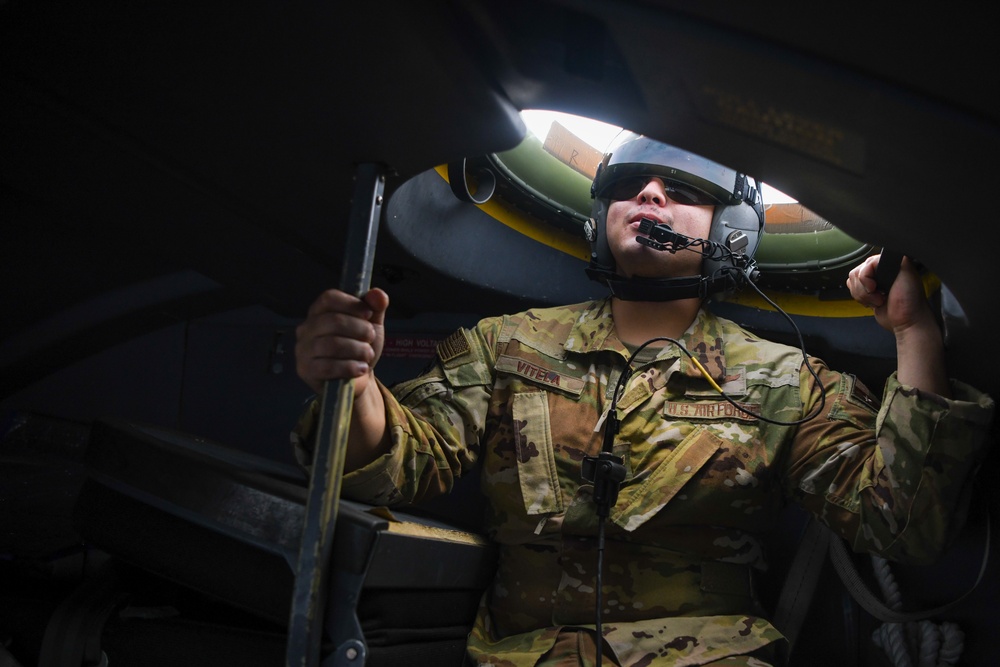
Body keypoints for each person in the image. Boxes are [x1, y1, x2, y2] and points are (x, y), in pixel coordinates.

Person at [292, 133, 995, 666]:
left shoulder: (787, 378)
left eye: (681, 190)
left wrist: (913, 332)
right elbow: (401, 461)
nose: (651, 196)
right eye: (631, 185)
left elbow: (903, 526)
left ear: (733, 235)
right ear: (601, 219)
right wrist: (351, 378)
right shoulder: (507, 345)